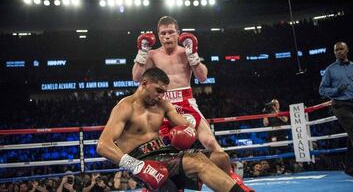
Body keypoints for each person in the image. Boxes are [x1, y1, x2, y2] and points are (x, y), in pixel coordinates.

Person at [131, 16, 253, 191]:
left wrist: (193, 55)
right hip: (162, 104)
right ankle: (163, 185)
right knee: (164, 150)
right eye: (163, 33)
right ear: (158, 35)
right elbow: (136, 77)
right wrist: (142, 53)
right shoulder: (152, 55)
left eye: (171, 32)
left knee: (210, 142)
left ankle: (234, 182)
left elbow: (202, 77)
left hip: (186, 100)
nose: (167, 36)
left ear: (178, 33)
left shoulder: (185, 51)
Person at [97, 67, 245, 191]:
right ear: (144, 83)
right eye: (158, 90)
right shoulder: (125, 107)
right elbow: (103, 146)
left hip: (166, 153)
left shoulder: (163, 105)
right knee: (197, 161)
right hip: (143, 160)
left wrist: (189, 128)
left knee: (220, 157)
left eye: (164, 92)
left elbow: (187, 127)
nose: (161, 96)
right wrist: (137, 166)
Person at [319, 41, 353, 178]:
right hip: (340, 105)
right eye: (336, 50)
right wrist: (336, 90)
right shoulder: (330, 70)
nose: (339, 52)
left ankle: (349, 167)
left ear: (347, 50)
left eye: (341, 49)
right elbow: (322, 90)